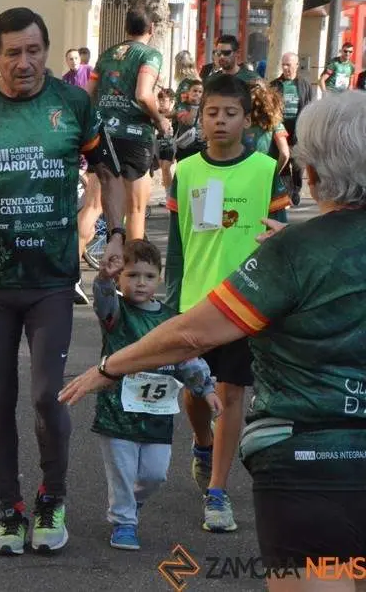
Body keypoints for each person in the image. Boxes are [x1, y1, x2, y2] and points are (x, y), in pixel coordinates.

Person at [61, 90, 366, 592]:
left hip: (307, 466)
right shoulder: (278, 238)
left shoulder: (291, 252)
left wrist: (108, 368)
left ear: (310, 172)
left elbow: (190, 334)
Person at [0, 7, 126, 554]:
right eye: (12, 53)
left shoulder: (73, 102)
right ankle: (9, 509)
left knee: (45, 396)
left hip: (51, 280)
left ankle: (52, 499)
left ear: (46, 50)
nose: (24, 63)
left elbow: (108, 173)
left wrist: (112, 235)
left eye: (33, 50)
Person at [163, 73, 290, 533]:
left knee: (231, 393)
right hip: (196, 303)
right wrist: (171, 297)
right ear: (201, 117)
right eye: (212, 112)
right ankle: (201, 441)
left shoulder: (264, 170)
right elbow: (178, 245)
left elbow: (282, 236)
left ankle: (217, 492)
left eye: (229, 113)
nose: (219, 121)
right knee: (197, 392)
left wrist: (280, 294)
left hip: (246, 304)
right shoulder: (188, 172)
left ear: (245, 118)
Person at [90, 239, 220, 551]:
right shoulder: (117, 314)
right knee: (121, 472)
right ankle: (124, 522)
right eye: (132, 275)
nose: (140, 283)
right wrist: (104, 279)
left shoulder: (171, 319)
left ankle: (130, 505)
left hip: (157, 415)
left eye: (148, 276)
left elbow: (186, 358)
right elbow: (103, 301)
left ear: (160, 278)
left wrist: (206, 389)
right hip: (117, 412)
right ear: (121, 278)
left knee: (154, 475)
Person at [89, 8, 172, 241]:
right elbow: (144, 95)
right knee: (135, 210)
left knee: (93, 208)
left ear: (126, 28)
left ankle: (72, 273)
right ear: (152, 29)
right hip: (134, 136)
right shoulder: (150, 55)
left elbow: (87, 94)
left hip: (102, 134)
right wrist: (160, 120)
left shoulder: (106, 54)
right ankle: (129, 272)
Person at [270, 52, 313, 205]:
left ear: (296, 65)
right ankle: (287, 191)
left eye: (289, 64)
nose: (286, 68)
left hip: (298, 130)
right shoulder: (275, 85)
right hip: (280, 130)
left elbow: (309, 106)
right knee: (283, 160)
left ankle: (296, 189)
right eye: (284, 65)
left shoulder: (304, 85)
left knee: (297, 164)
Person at [243, 80, 290, 171]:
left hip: (243, 171)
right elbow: (284, 153)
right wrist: (274, 173)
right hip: (265, 171)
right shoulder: (275, 122)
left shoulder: (240, 121)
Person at [172, 79, 205, 164]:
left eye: (200, 92)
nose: (197, 94)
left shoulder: (204, 106)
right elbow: (188, 122)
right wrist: (195, 106)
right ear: (188, 92)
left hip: (200, 146)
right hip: (185, 146)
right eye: (194, 91)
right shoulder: (182, 106)